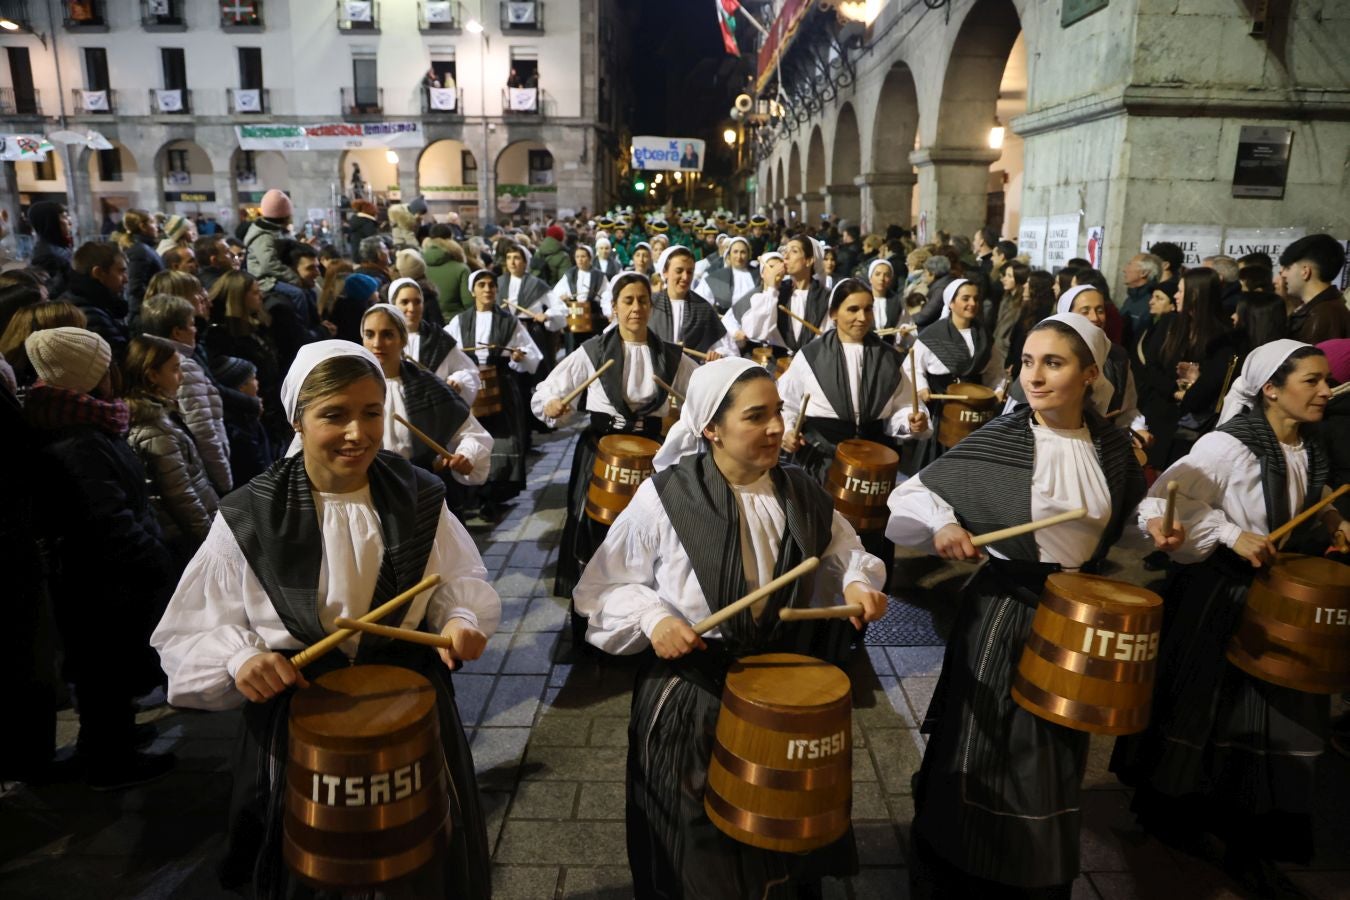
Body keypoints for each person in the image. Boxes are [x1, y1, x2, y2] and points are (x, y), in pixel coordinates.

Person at [150, 341, 497, 899]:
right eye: (334, 415)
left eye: (371, 412)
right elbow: (185, 633)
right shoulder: (250, 513)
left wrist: (458, 618)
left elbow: (459, 582)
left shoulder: (418, 493)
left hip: (408, 707)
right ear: (296, 419)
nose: (357, 433)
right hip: (299, 720)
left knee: (422, 864)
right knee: (311, 872)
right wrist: (241, 658)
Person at [574, 357, 888, 899]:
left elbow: (843, 550)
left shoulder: (802, 492)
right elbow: (599, 589)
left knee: (777, 836)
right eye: (756, 416)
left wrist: (858, 582)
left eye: (778, 413)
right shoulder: (665, 498)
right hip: (692, 693)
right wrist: (654, 618)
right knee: (698, 853)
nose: (775, 428)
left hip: (779, 694)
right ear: (710, 428)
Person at [887, 313, 1149, 899]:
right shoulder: (1003, 438)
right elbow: (912, 495)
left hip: (1076, 610)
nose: (1033, 377)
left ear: (1089, 374)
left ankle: (1033, 864)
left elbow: (1124, 520)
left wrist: (1161, 527)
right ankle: (962, 860)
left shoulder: (1110, 445)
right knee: (987, 739)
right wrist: (945, 523)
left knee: (1054, 744)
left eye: (1052, 363)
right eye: (1027, 362)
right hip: (1006, 607)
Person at [1113, 340, 1346, 898]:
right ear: (1271, 388)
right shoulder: (1227, 446)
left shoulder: (1308, 444)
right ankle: (1174, 815)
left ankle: (1248, 835)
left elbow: (1306, 498)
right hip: (1220, 598)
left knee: (1271, 719)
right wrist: (1225, 532)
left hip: (1280, 600)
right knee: (1204, 710)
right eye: (1311, 381)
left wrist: (1333, 517)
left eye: (1326, 380)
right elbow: (1161, 502)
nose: (1325, 390)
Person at [26, 327, 177, 789]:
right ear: (91, 375)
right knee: (103, 674)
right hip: (101, 580)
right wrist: (154, 556)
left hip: (103, 576)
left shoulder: (82, 422)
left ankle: (115, 741)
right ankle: (109, 762)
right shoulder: (79, 439)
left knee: (108, 673)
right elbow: (107, 518)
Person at [531, 271, 697, 606]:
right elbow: (547, 391)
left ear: (651, 306)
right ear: (614, 308)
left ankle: (646, 607)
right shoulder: (593, 352)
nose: (636, 307)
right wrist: (552, 404)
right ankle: (594, 606)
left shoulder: (670, 356)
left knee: (650, 533)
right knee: (596, 528)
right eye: (628, 301)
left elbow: (702, 392)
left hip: (653, 455)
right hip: (601, 451)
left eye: (643, 300)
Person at [778, 278, 930, 574]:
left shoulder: (889, 357)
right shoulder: (809, 357)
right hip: (824, 463)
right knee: (819, 540)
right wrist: (787, 430)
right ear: (834, 313)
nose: (862, 317)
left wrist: (911, 420)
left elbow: (901, 408)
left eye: (868, 309)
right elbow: (787, 404)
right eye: (853, 309)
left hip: (873, 469)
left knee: (870, 543)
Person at [359, 303, 492, 492]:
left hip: (420, 490)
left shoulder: (428, 386)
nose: (377, 343)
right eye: (369, 334)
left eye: (388, 335)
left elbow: (472, 433)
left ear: (403, 340)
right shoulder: (353, 388)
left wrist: (465, 454)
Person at [445, 271, 542, 512]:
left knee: (502, 440)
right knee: (470, 438)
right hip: (470, 389)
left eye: (491, 285)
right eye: (481, 285)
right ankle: (472, 494)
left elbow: (532, 355)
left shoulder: (509, 321)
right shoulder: (459, 322)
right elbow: (447, 354)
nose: (487, 289)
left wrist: (519, 356)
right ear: (472, 291)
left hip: (501, 386)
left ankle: (494, 496)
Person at [124, 335, 220, 556]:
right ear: (153, 375)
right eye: (175, 369)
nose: (181, 376)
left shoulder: (162, 414)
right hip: (185, 538)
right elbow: (181, 494)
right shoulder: (153, 428)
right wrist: (212, 541)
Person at [140, 292, 233, 495]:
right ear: (177, 332)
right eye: (191, 324)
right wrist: (225, 481)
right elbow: (203, 428)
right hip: (204, 476)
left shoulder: (147, 357)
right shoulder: (184, 367)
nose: (195, 330)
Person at [389, 277, 480, 398]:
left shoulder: (438, 339)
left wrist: (458, 380)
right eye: (405, 302)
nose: (412, 308)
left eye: (417, 302)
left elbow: (469, 371)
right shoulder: (384, 340)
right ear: (393, 305)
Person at [648, 246, 738, 359]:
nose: (685, 277)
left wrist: (717, 354)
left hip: (691, 373)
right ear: (665, 272)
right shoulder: (649, 304)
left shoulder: (702, 308)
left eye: (690, 272)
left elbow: (726, 348)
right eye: (679, 271)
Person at [61, 240, 131, 362]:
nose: (126, 279)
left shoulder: (91, 303)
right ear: (98, 273)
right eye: (121, 271)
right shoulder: (90, 315)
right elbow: (119, 361)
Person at [211, 355, 275, 486]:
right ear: (241, 387)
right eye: (253, 379)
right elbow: (255, 466)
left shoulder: (247, 416)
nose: (257, 383)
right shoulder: (236, 427)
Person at [1281, 234, 1349, 343]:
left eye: (1288, 268)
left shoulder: (1322, 316)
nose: (1283, 274)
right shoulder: (1326, 308)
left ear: (1305, 271)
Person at [549, 242, 607, 354]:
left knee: (591, 349)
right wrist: (562, 297)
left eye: (583, 256)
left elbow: (606, 295)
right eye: (577, 257)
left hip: (592, 317)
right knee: (573, 349)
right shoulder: (570, 275)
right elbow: (556, 294)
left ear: (590, 258)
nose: (580, 259)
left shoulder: (599, 276)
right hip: (573, 318)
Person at [26, 200, 74, 299]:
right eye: (64, 216)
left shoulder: (57, 246)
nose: (69, 221)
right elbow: (52, 293)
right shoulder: (46, 256)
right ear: (51, 222)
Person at [701, 236, 757, 315]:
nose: (739, 256)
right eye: (735, 252)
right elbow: (702, 302)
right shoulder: (718, 276)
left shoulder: (758, 276)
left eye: (743, 252)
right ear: (729, 254)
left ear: (749, 254)